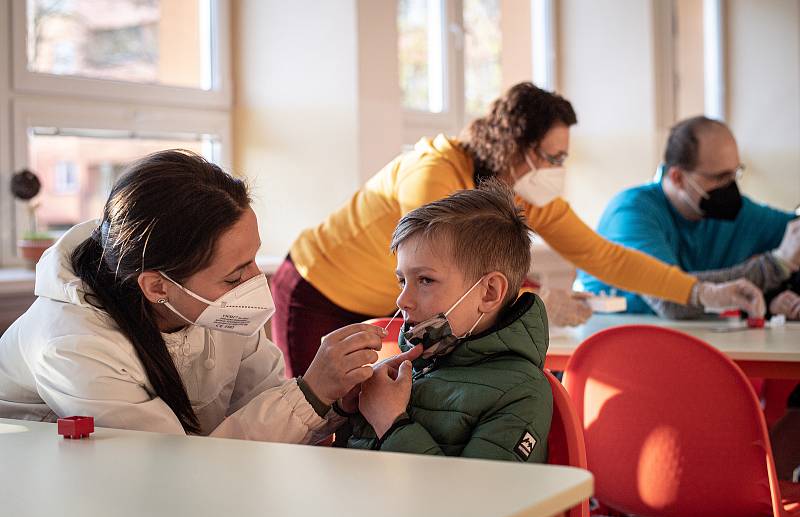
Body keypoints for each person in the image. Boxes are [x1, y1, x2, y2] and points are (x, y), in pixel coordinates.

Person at [272, 83, 765, 378]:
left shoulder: (524, 194)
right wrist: (530, 297)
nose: (557, 167)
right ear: (514, 146)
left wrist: (701, 291)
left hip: (389, 304)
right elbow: (437, 264)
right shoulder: (435, 171)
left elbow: (607, 258)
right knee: (319, 428)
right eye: (551, 157)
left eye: (563, 157)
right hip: (318, 289)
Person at [0, 150, 394, 441]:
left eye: (254, 260)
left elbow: (266, 409)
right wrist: (311, 393)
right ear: (157, 286)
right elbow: (173, 468)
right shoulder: (72, 345)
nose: (256, 282)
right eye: (235, 275)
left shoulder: (212, 307)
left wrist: (336, 401)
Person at [345, 184, 552, 461]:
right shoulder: (414, 368)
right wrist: (345, 409)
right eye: (402, 281)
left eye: (425, 280)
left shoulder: (522, 393)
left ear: (489, 293)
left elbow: (476, 500)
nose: (402, 300)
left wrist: (392, 423)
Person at [578, 116, 798, 319]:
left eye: (734, 174)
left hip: (696, 342)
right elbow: (671, 301)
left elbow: (793, 231)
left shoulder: (739, 214)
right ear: (678, 177)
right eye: (720, 177)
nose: (730, 187)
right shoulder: (631, 213)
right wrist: (776, 265)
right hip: (613, 343)